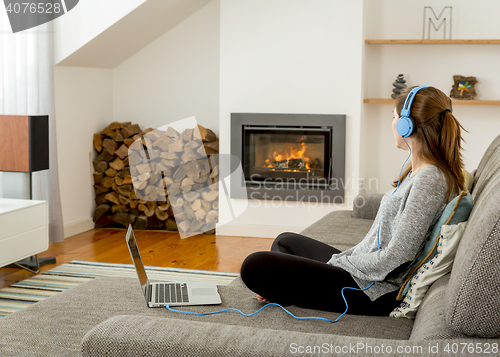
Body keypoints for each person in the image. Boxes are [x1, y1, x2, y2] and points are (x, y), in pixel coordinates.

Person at [240, 86, 466, 316]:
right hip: (363, 274)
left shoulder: (430, 180)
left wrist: (341, 264)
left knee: (254, 265)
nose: (392, 124)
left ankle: (286, 290)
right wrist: (344, 258)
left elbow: (398, 257)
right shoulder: (418, 172)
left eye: (394, 117)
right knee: (285, 241)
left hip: (373, 291)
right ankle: (288, 288)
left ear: (407, 125)